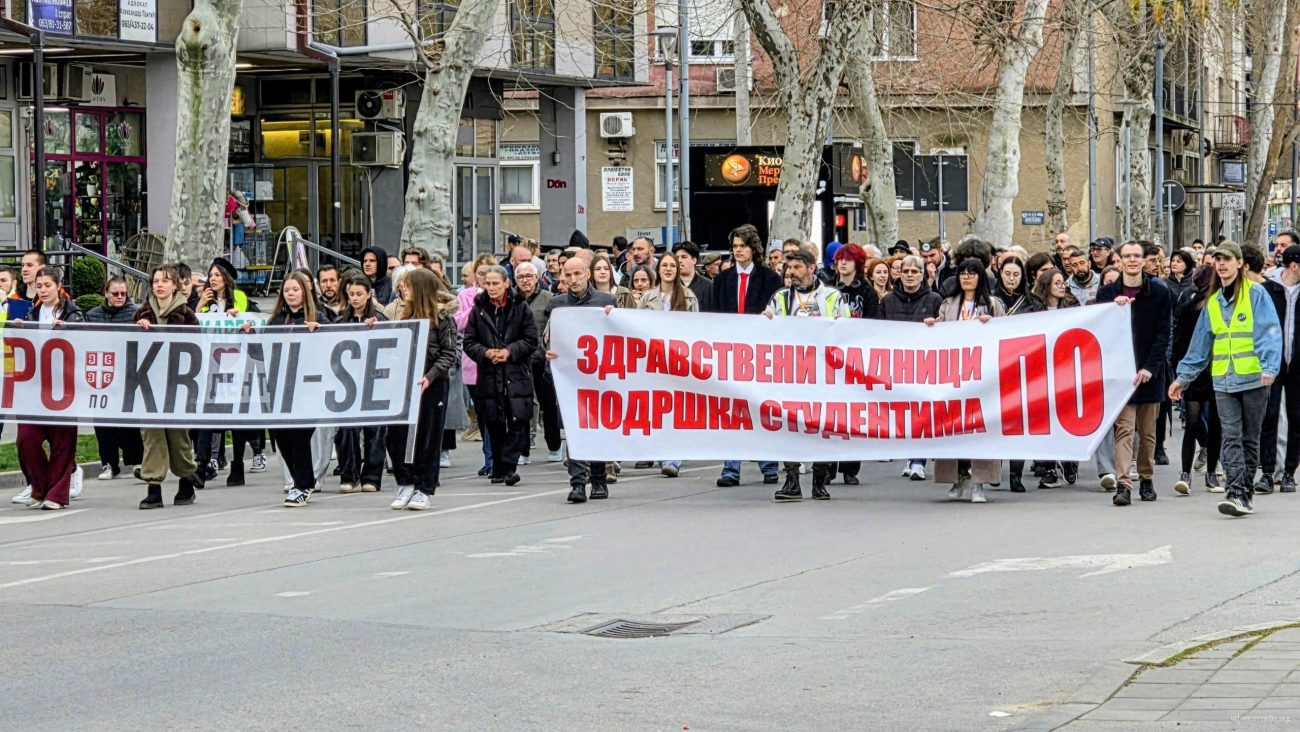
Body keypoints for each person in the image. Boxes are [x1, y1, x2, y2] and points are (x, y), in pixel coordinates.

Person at [1171, 241, 1283, 517]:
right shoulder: (1213, 302)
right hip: (1223, 381)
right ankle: (1235, 492)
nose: (1221, 264)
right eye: (1218, 260)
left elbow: (1270, 331)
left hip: (1254, 379)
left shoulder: (1255, 294)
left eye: (1227, 259)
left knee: (1249, 439)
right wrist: (1182, 378)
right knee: (1231, 437)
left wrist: (1269, 367)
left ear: (1240, 263)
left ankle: (1245, 492)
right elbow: (1200, 345)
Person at [764, 250, 852, 501]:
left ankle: (819, 482)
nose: (790, 272)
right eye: (788, 267)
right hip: (790, 373)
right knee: (788, 425)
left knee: (821, 426)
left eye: (796, 267)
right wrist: (764, 321)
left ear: (812, 268)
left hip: (823, 373)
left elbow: (848, 331)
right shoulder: (780, 297)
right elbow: (766, 332)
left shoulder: (832, 296)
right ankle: (792, 481)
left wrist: (840, 324)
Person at [1096, 241, 1173, 507]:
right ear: (1119, 260)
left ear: (1143, 260)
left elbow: (1163, 334)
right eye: (1127, 256)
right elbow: (1100, 331)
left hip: (1149, 371)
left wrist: (1150, 367)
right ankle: (1123, 483)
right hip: (1121, 373)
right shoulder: (1108, 293)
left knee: (1148, 432)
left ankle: (1146, 478)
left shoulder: (1159, 292)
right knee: (1124, 430)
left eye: (1136, 256)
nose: (1132, 260)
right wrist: (1113, 310)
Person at [708, 224, 783, 487]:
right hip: (730, 352)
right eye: (735, 246)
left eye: (742, 246)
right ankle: (731, 468)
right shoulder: (723, 280)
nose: (738, 251)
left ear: (753, 248)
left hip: (759, 352)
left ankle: (768, 464)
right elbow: (715, 314)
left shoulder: (770, 279)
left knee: (760, 408)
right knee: (732, 409)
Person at [925, 259, 1005, 503]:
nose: (967, 277)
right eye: (963, 273)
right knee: (953, 427)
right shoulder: (948, 304)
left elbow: (1007, 334)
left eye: (972, 273)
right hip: (953, 376)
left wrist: (992, 325)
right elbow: (938, 335)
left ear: (981, 276)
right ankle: (958, 477)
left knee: (981, 428)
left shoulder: (993, 304)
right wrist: (932, 325)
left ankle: (979, 482)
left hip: (983, 376)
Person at [130, 264, 207, 509]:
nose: (159, 285)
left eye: (164, 281)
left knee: (177, 435)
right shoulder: (142, 313)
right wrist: (140, 331)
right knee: (152, 435)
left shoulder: (186, 314)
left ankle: (186, 479)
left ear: (175, 285)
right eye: (156, 281)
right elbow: (129, 347)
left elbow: (196, 350)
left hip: (178, 385)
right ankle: (153, 487)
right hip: (148, 385)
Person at [384, 269, 458, 510]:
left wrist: (430, 376)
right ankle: (406, 481)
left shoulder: (443, 318)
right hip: (406, 383)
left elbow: (449, 354)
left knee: (428, 436)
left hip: (433, 383)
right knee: (396, 435)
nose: (403, 290)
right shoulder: (404, 316)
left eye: (407, 286)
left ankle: (425, 488)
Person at [545, 257, 616, 503]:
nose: (573, 280)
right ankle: (577, 483)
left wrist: (613, 316)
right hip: (569, 376)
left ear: (587, 274)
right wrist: (547, 350)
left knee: (596, 427)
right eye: (568, 275)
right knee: (574, 429)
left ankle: (598, 478)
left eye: (577, 274)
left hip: (598, 376)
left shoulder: (606, 300)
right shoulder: (557, 304)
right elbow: (546, 336)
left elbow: (618, 336)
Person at [14, 267, 85, 509]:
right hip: (34, 386)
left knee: (62, 441)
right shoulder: (32, 313)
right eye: (39, 286)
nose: (43, 290)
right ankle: (39, 488)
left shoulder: (73, 314)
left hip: (64, 385)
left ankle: (57, 494)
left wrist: (68, 330)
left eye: (47, 285)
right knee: (27, 438)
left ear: (58, 286)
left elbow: (86, 340)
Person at [464, 266, 538, 487]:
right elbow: (469, 342)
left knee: (518, 420)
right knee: (494, 422)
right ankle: (499, 469)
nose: (491, 288)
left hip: (516, 373)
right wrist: (486, 353)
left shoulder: (521, 307)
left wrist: (510, 351)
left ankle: (508, 465)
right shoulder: (479, 309)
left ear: (506, 283)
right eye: (487, 284)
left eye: (496, 283)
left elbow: (530, 340)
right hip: (489, 373)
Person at [256, 272, 323, 507]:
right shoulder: (275, 321)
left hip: (309, 389)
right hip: (280, 389)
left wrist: (321, 332)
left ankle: (302, 485)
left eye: (295, 289)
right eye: (286, 290)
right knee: (282, 437)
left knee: (299, 436)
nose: (290, 294)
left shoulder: (319, 318)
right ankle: (302, 481)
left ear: (305, 292)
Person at [634, 254, 699, 478]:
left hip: (679, 360)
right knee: (658, 409)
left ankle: (673, 458)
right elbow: (635, 326)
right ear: (658, 269)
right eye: (665, 265)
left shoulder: (688, 297)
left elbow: (697, 329)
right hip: (653, 360)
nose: (669, 269)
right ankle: (661, 452)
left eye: (673, 266)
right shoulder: (647, 298)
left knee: (677, 409)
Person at [880, 254, 942, 480]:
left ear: (922, 275)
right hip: (896, 364)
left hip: (924, 365)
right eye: (905, 271)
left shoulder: (934, 299)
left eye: (914, 272)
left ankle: (918, 461)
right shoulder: (888, 300)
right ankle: (909, 455)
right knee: (903, 413)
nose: (909, 276)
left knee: (921, 413)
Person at [1170, 264, 1224, 495]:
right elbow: (1181, 337)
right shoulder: (1203, 304)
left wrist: (1179, 370)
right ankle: (1204, 474)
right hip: (1206, 369)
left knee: (1198, 424)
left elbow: (1179, 339)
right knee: (1206, 423)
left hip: (1203, 369)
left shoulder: (1196, 304)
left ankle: (1193, 473)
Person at [85, 276, 143, 481]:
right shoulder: (93, 315)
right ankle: (109, 464)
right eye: (115, 293)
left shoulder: (136, 313)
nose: (120, 297)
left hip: (128, 372)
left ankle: (137, 460)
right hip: (102, 373)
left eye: (123, 293)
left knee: (129, 420)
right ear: (106, 293)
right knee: (102, 421)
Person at [335, 276, 388, 494]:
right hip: (348, 383)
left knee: (375, 430)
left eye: (359, 294)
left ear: (368, 295)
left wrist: (377, 329)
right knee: (347, 430)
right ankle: (349, 474)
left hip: (374, 381)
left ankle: (372, 477)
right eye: (351, 294)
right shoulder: (341, 320)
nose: (355, 298)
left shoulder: (380, 319)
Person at [1255, 245, 1300, 493]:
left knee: (1296, 418)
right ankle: (1267, 472)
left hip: (1298, 364)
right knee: (1269, 415)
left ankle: (1289, 473)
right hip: (1272, 362)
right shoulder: (1267, 290)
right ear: (1294, 266)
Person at [515, 262, 563, 464]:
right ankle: (523, 450)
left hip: (543, 361)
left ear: (537, 278)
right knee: (521, 407)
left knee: (549, 405)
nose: (525, 280)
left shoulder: (549, 299)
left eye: (529, 276)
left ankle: (554, 446)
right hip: (519, 361)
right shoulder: (512, 299)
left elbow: (556, 328)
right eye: (521, 277)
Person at [455, 255, 499, 475]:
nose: (484, 279)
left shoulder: (501, 297)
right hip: (473, 363)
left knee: (494, 413)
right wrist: (476, 305)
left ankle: (494, 459)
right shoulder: (465, 296)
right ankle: (488, 456)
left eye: (489, 274)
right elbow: (459, 323)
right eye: (481, 274)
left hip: (496, 362)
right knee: (481, 414)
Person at [831, 243, 879, 319]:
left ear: (858, 263)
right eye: (840, 258)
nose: (843, 262)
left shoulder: (868, 292)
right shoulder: (827, 288)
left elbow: (871, 323)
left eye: (848, 259)